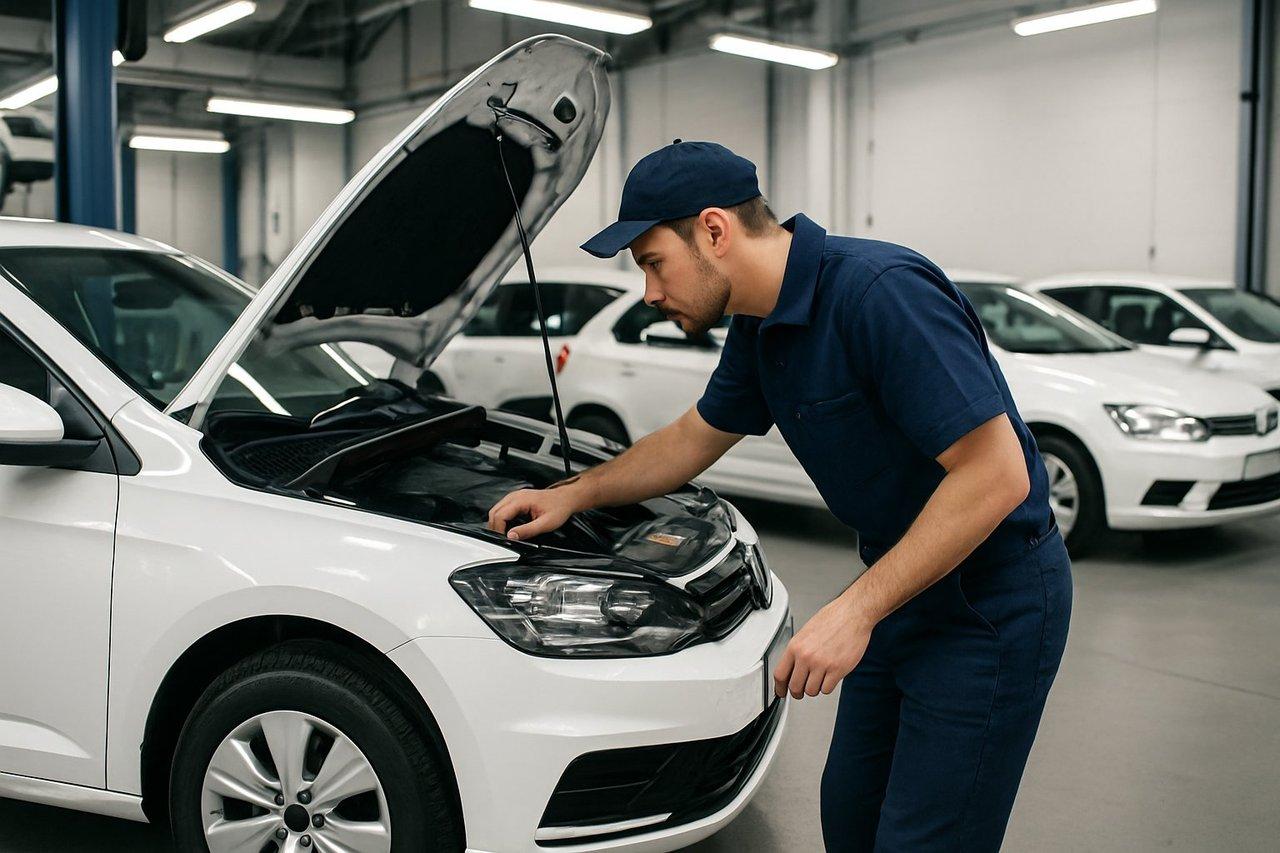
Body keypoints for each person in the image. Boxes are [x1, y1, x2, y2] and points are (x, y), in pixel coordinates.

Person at [487, 140, 1072, 852]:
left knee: (927, 837)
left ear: (713, 230)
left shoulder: (879, 292)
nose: (649, 291)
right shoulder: (760, 324)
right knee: (851, 817)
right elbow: (693, 437)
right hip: (903, 588)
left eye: (651, 261)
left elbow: (997, 474)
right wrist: (572, 494)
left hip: (989, 601)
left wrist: (854, 610)